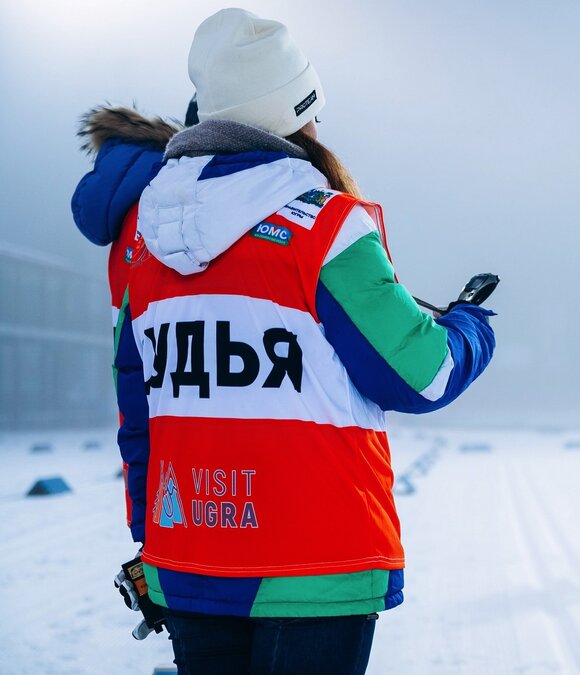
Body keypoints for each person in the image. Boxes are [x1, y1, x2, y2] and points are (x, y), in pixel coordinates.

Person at [111, 9, 496, 674]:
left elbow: (136, 416)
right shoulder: (325, 229)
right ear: (301, 111)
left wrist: (153, 540)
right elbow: (422, 374)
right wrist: (470, 325)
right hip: (315, 565)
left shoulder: (144, 248)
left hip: (190, 560)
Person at [73, 103, 183, 538]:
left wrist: (144, 523)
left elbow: (136, 377)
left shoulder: (134, 210)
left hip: (161, 472)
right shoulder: (181, 202)